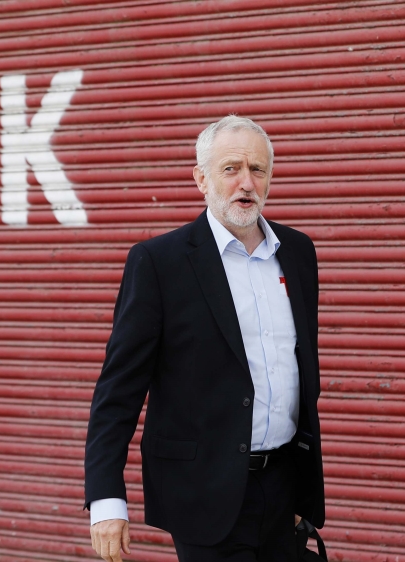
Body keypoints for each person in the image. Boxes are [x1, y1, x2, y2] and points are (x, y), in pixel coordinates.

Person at [84, 115, 325, 562]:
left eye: (258, 169)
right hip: (204, 494)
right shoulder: (160, 263)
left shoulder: (297, 253)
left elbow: (299, 370)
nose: (246, 183)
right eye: (231, 168)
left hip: (285, 491)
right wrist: (105, 499)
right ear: (201, 178)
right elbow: (118, 391)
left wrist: (302, 490)